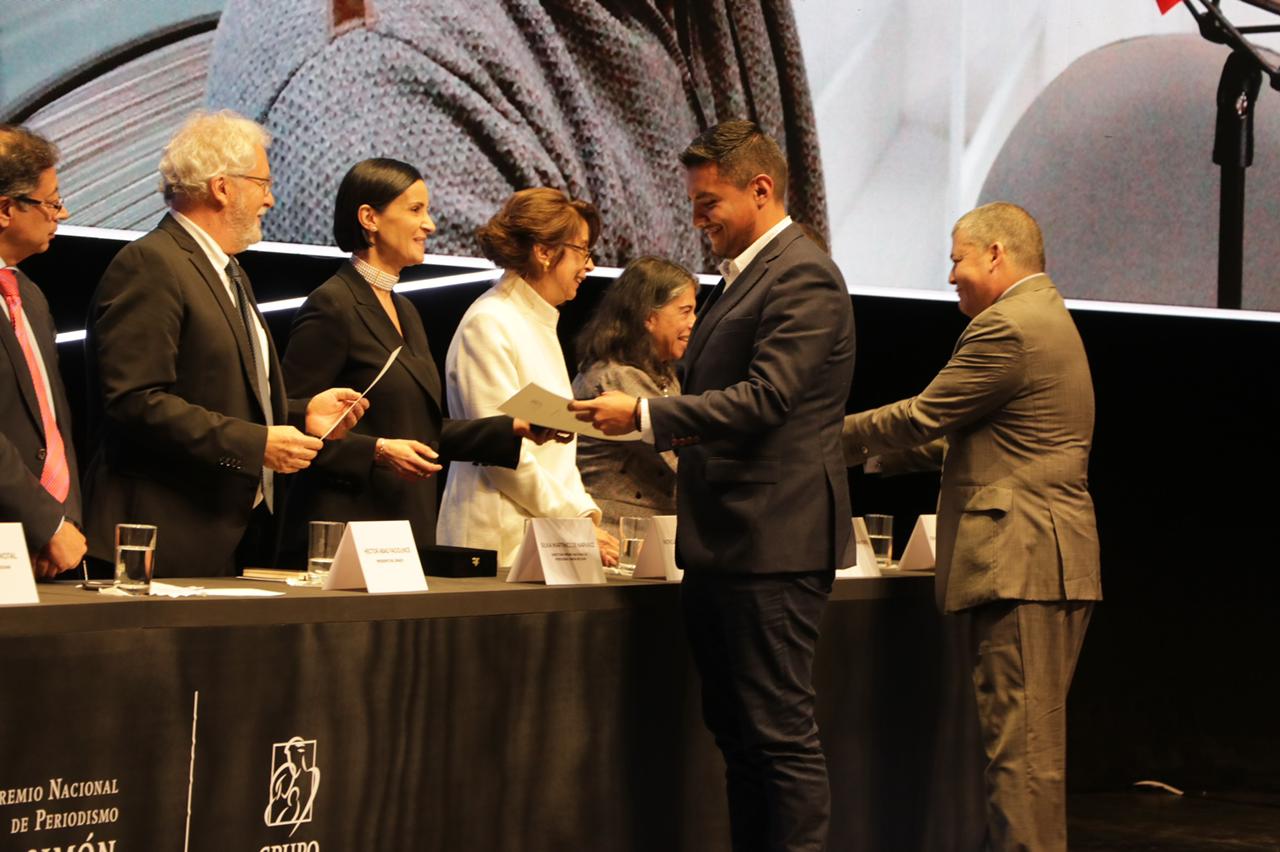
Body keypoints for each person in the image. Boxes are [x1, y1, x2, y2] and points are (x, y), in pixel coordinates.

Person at [571, 120, 855, 852]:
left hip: (771, 544)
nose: (696, 219)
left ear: (761, 190)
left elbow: (767, 400)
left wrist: (642, 414)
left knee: (778, 739)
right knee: (741, 738)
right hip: (727, 542)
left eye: (708, 203)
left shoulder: (803, 275)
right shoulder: (746, 279)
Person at [840, 203, 1102, 851]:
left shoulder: (1008, 328)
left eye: (958, 257)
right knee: (1028, 754)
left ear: (995, 255)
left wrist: (815, 440)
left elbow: (925, 416)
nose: (951, 272)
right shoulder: (1043, 316)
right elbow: (966, 441)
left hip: (1024, 564)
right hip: (1047, 561)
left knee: (1022, 761)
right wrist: (876, 457)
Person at [82, 110, 367, 578]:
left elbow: (223, 393)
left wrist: (300, 416)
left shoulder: (229, 271)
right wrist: (257, 445)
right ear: (222, 187)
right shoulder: (151, 264)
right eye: (262, 183)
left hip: (215, 532)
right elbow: (135, 402)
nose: (270, 199)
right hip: (153, 537)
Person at [280, 158, 555, 562]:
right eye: (415, 210)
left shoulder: (406, 311)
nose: (430, 225)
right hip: (341, 538)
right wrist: (377, 450)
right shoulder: (332, 305)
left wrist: (512, 429)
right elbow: (289, 421)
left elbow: (419, 430)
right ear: (369, 218)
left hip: (402, 531)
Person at [436, 188, 618, 568]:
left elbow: (555, 451)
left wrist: (582, 512)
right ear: (544, 251)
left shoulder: (536, 320)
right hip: (495, 536)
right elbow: (502, 452)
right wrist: (576, 517)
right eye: (583, 251)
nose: (590, 265)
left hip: (545, 531)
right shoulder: (490, 322)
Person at [0, 125, 85, 579]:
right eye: (50, 202)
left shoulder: (28, 295)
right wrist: (45, 521)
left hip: (35, 552)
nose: (62, 213)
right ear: (5, 209)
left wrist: (61, 521)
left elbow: (52, 425)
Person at [570, 256, 696, 535]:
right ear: (650, 317)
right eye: (685, 311)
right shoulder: (615, 377)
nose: (693, 323)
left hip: (647, 536)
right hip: (615, 537)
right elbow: (679, 455)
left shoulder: (663, 375)